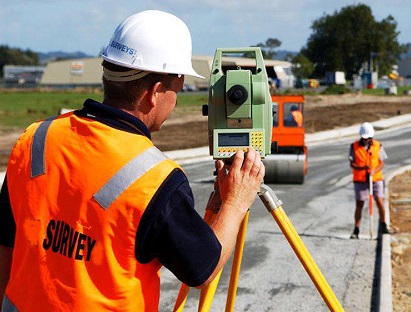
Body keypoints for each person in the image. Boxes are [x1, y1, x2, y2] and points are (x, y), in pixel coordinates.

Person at [0, 10, 264, 311]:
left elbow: (6, 244)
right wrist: (235, 201)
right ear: (154, 93)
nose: (174, 102)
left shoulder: (35, 139)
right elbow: (202, 270)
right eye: (175, 92)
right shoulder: (155, 179)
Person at [348, 122, 392, 239]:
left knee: (379, 201)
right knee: (360, 204)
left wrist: (374, 171)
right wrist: (363, 168)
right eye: (366, 138)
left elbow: (382, 163)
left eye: (369, 137)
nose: (368, 140)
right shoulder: (354, 146)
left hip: (375, 178)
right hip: (360, 179)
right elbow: (352, 164)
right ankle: (356, 230)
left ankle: (384, 226)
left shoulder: (378, 145)